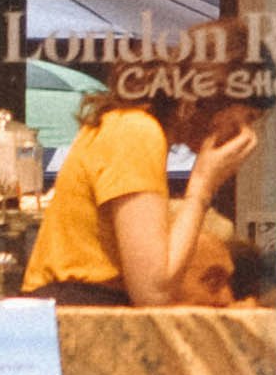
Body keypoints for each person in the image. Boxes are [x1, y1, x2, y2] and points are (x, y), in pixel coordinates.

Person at [23, 86, 263, 307]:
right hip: (80, 311)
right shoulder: (134, 130)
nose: (246, 135)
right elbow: (155, 292)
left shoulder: (125, 124)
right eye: (248, 118)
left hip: (78, 308)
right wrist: (202, 185)